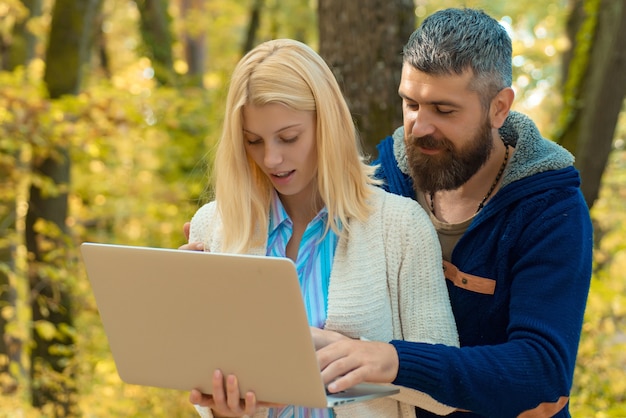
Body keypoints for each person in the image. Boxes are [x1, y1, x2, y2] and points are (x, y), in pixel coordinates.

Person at [315, 8, 593, 418]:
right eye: (410, 104)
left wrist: (396, 362)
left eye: (444, 111)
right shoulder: (380, 180)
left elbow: (541, 369)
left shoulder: (551, 210)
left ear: (499, 108)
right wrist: (220, 256)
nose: (420, 127)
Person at [183, 38, 459, 418]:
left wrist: (352, 355)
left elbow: (446, 393)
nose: (272, 158)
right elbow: (209, 379)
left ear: (326, 123)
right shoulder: (213, 227)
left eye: (289, 137)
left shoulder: (400, 226)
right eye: (253, 141)